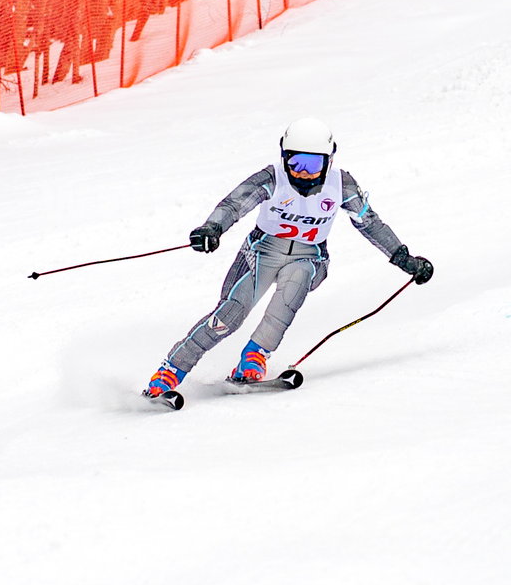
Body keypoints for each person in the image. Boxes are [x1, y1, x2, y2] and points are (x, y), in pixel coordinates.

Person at [144, 117, 433, 396]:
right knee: (231, 314)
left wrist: (403, 257)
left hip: (309, 257)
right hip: (262, 253)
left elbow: (369, 222)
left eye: (312, 163)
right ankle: (170, 371)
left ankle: (254, 357)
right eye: (295, 162)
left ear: (328, 160)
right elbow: (234, 204)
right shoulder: (273, 178)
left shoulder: (340, 185)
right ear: (284, 157)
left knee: (293, 288)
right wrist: (212, 228)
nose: (302, 172)